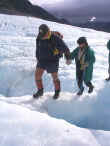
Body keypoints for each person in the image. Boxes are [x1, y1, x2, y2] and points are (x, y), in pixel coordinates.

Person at [33, 24, 70, 99]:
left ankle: (57, 92)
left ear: (48, 31)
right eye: (41, 34)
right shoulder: (39, 37)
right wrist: (37, 56)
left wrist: (68, 58)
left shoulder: (55, 38)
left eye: (44, 34)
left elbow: (65, 48)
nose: (43, 36)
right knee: (37, 75)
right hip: (42, 60)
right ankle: (40, 91)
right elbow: (37, 48)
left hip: (53, 60)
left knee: (55, 77)